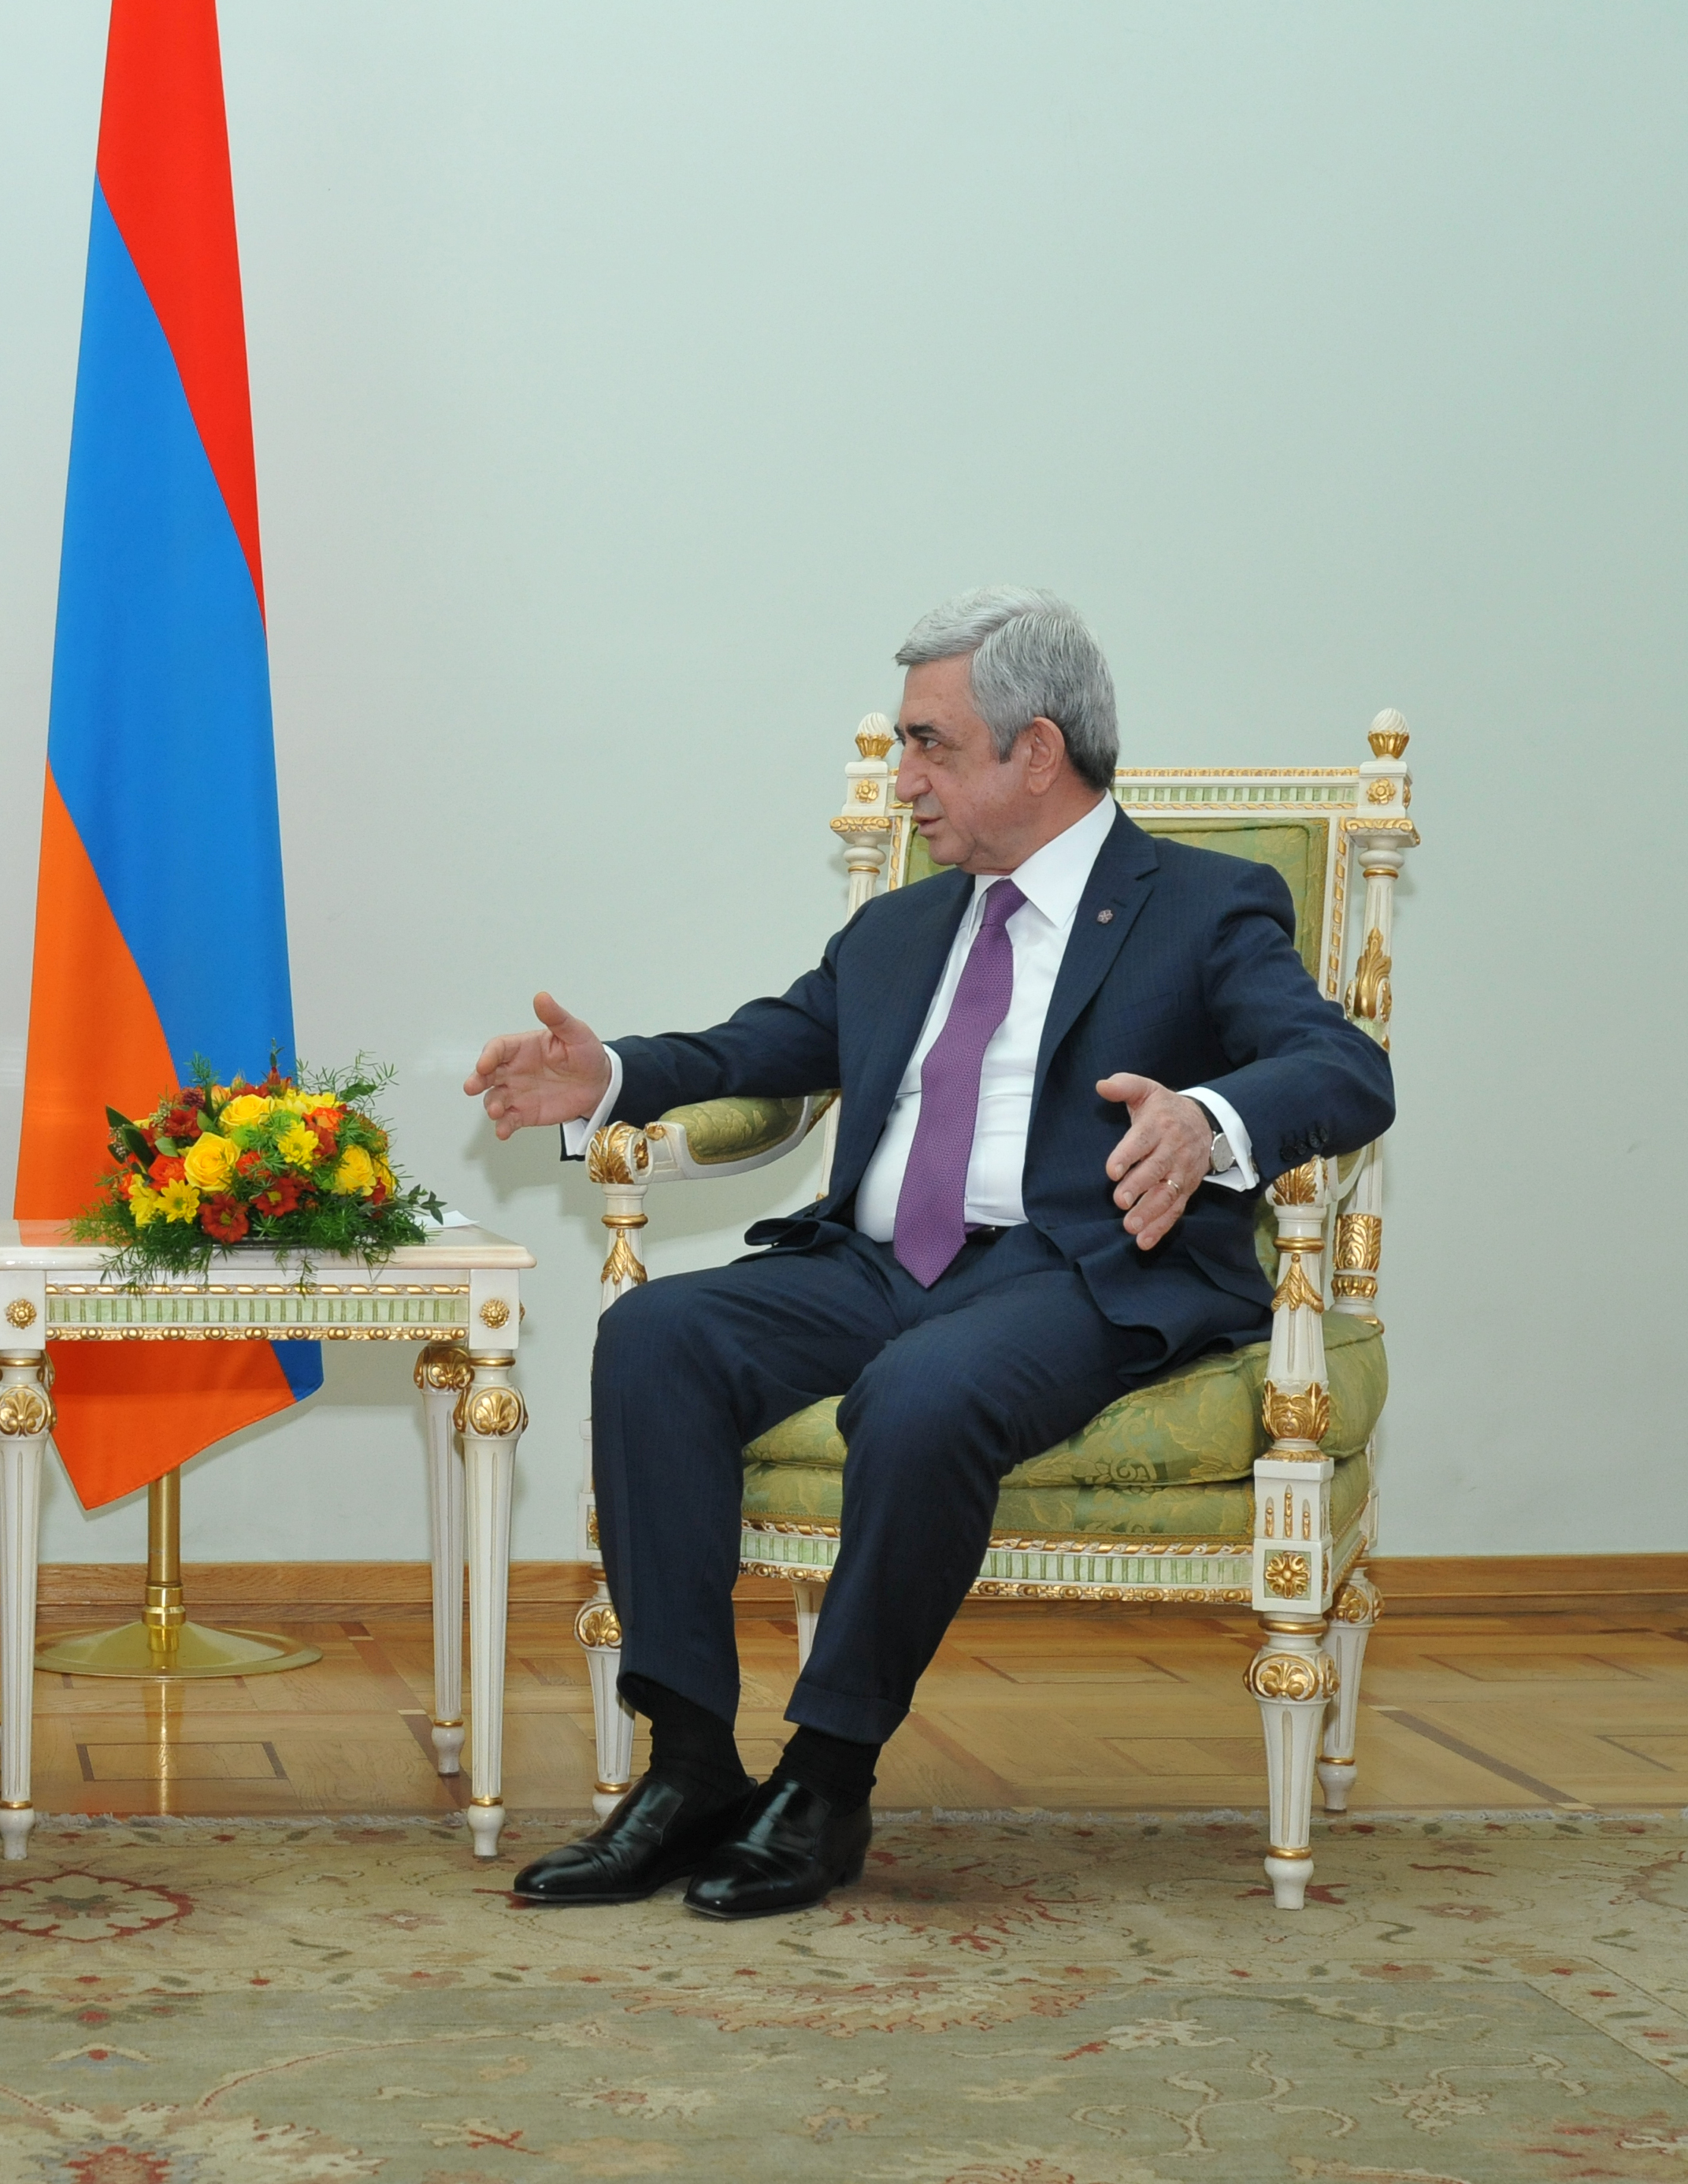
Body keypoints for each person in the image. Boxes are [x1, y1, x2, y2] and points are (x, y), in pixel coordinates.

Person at [463, 587, 1393, 1921]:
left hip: (1075, 1270)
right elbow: (762, 1047)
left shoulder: (1201, 905)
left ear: (1037, 750)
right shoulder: (903, 925)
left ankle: (825, 1779)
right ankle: (689, 1767)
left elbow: (1342, 1068)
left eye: (929, 745)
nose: (903, 780)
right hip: (873, 1265)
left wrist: (1205, 1117)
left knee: (923, 1392)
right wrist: (606, 1075)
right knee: (655, 1334)